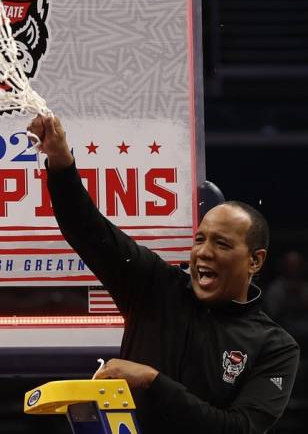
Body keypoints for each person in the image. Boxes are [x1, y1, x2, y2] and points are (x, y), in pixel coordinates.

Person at [27, 114, 300, 433]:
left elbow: (238, 429)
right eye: (200, 239)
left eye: (222, 243)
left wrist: (151, 380)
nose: (204, 252)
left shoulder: (276, 347)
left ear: (255, 261)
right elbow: (89, 230)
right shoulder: (155, 287)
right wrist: (60, 161)